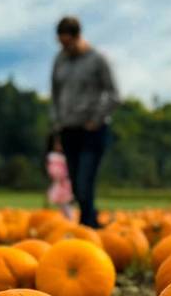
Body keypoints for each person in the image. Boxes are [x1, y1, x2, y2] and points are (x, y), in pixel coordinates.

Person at [50, 16, 119, 229]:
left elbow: (113, 94)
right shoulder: (60, 60)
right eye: (61, 43)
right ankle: (92, 223)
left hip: (92, 130)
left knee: (84, 181)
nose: (65, 48)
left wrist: (96, 119)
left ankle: (87, 226)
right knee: (77, 188)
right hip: (68, 130)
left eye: (68, 43)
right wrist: (56, 127)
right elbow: (55, 94)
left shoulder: (97, 60)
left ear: (78, 37)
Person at [45, 135, 75, 221]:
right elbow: (52, 170)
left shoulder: (66, 157)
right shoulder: (53, 156)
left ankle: (68, 218)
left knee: (66, 202)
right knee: (61, 202)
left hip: (66, 183)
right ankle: (65, 218)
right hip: (59, 183)